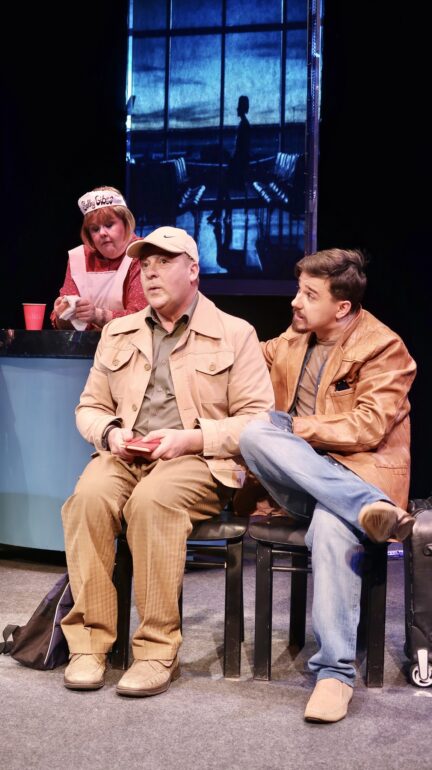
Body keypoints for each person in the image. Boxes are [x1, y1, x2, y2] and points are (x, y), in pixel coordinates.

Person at [60, 225, 274, 696]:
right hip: (127, 456)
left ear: (193, 270)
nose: (151, 272)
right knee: (87, 498)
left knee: (153, 502)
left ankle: (157, 651)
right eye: (146, 264)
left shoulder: (234, 333)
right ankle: (89, 644)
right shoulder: (119, 331)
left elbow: (258, 422)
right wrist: (111, 433)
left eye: (164, 262)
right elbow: (88, 407)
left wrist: (190, 439)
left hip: (199, 460)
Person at [238, 248, 417, 723]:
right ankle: (366, 508)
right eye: (298, 290)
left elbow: (368, 426)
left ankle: (334, 675)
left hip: (359, 471)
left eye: (309, 294)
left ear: (342, 307)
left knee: (333, 527)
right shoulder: (293, 338)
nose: (295, 302)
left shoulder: (384, 347)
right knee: (255, 434)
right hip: (307, 484)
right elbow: (239, 356)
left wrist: (293, 428)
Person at [51, 186, 147, 330]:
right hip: (87, 344)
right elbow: (62, 324)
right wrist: (63, 315)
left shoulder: (142, 252)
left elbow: (141, 317)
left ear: (126, 223)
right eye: (95, 229)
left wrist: (98, 315)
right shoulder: (78, 258)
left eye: (109, 225)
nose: (102, 233)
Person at [208, 95, 251, 224]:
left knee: (222, 184)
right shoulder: (244, 125)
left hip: (238, 166)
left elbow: (241, 149)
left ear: (241, 108)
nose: (237, 109)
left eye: (238, 107)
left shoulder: (244, 125)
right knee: (222, 184)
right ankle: (224, 209)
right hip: (239, 164)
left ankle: (222, 210)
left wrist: (232, 160)